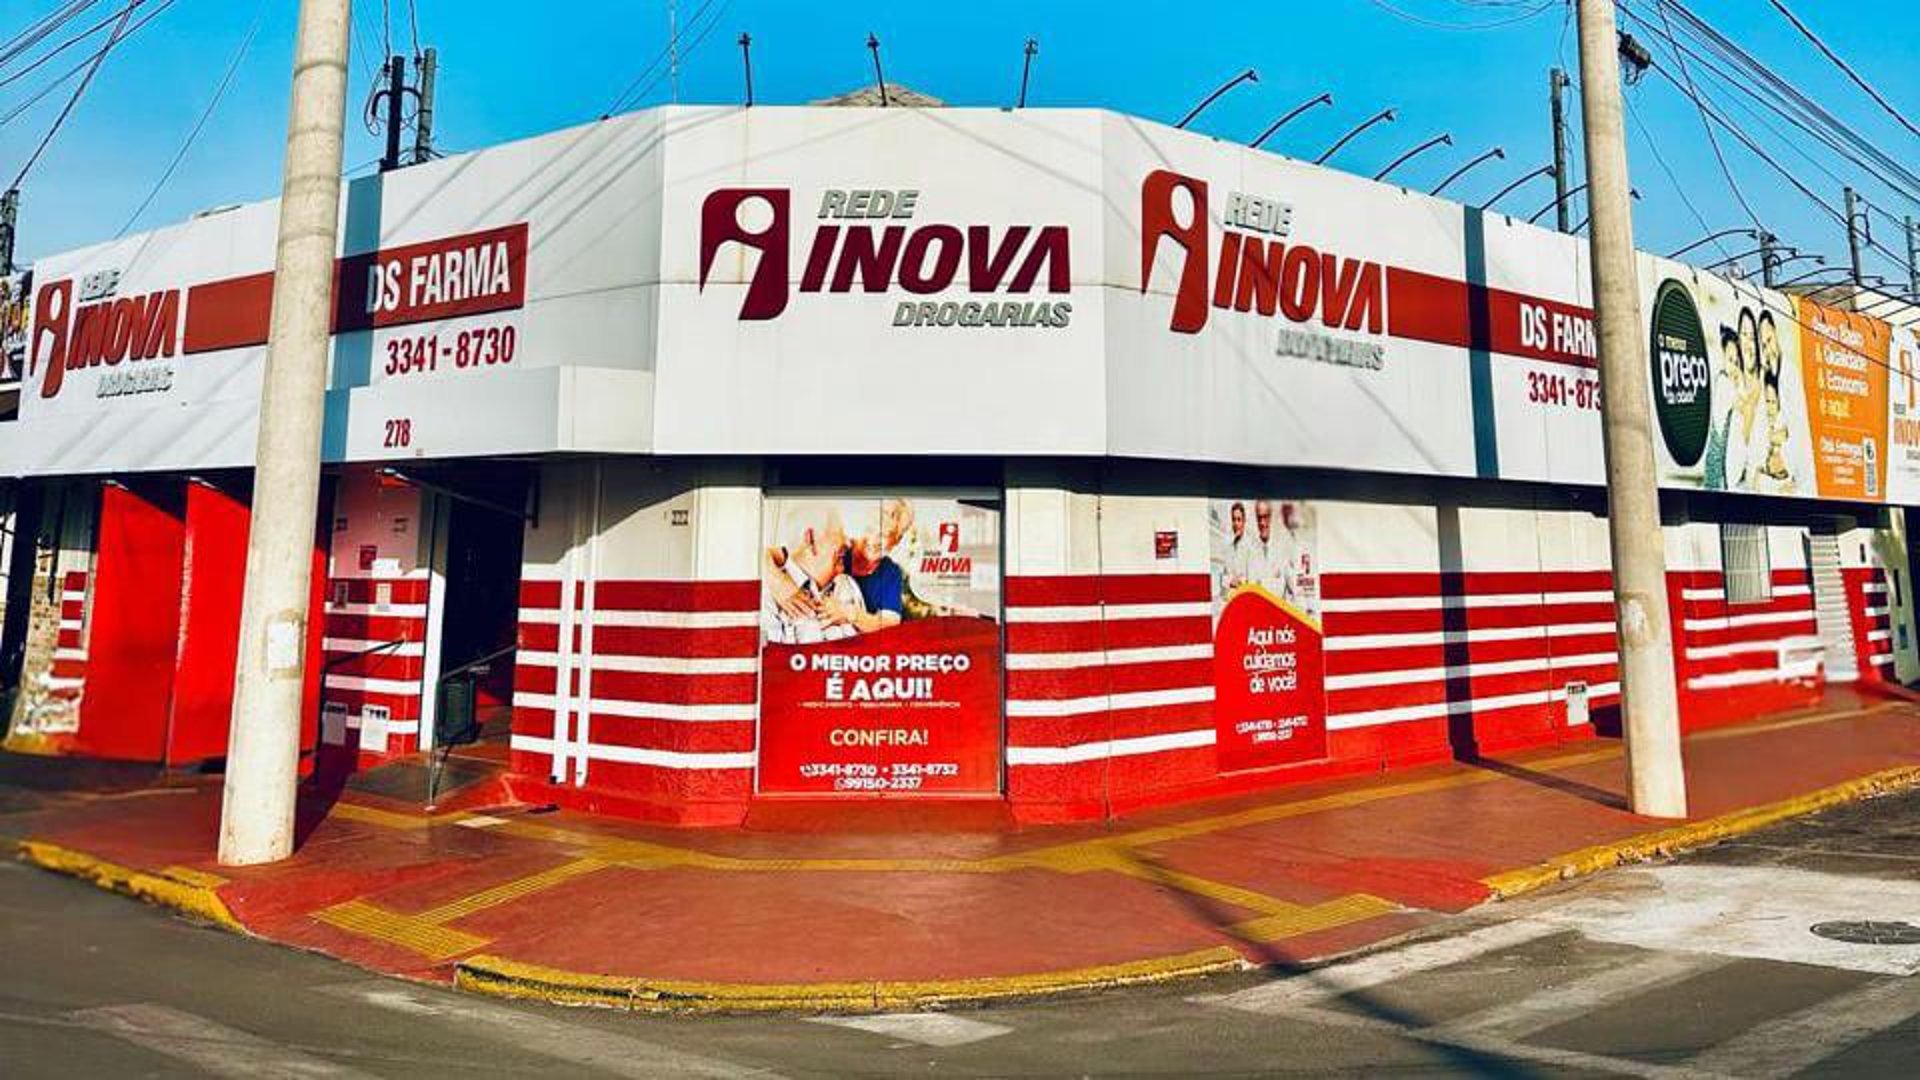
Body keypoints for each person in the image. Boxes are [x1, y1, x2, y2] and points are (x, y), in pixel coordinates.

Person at [761, 504, 871, 644]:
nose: (848, 543)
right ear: (810, 539)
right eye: (840, 532)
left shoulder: (849, 585)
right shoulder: (768, 595)